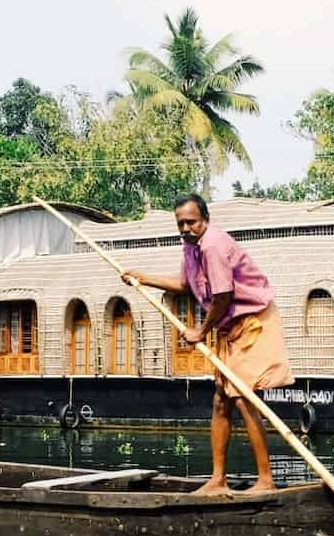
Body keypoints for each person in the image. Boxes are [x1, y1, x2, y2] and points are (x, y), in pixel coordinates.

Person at [122, 194, 293, 494]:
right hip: (230, 328)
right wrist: (145, 279)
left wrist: (201, 331)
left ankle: (266, 481)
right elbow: (186, 286)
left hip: (253, 322)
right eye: (181, 224)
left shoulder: (213, 245)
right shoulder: (191, 247)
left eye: (191, 222)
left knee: (243, 396)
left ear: (205, 220)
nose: (186, 228)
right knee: (220, 400)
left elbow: (223, 296)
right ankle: (218, 480)